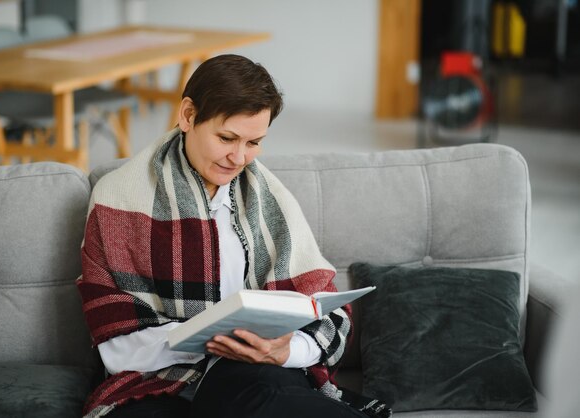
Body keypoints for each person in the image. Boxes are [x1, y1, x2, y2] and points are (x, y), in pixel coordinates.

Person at [76, 54, 390, 418]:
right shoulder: (118, 199)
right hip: (155, 380)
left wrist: (283, 352)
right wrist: (209, 342)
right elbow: (113, 336)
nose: (239, 157)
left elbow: (325, 310)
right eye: (227, 138)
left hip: (256, 373)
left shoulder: (270, 200)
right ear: (188, 116)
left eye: (254, 142)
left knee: (259, 392)